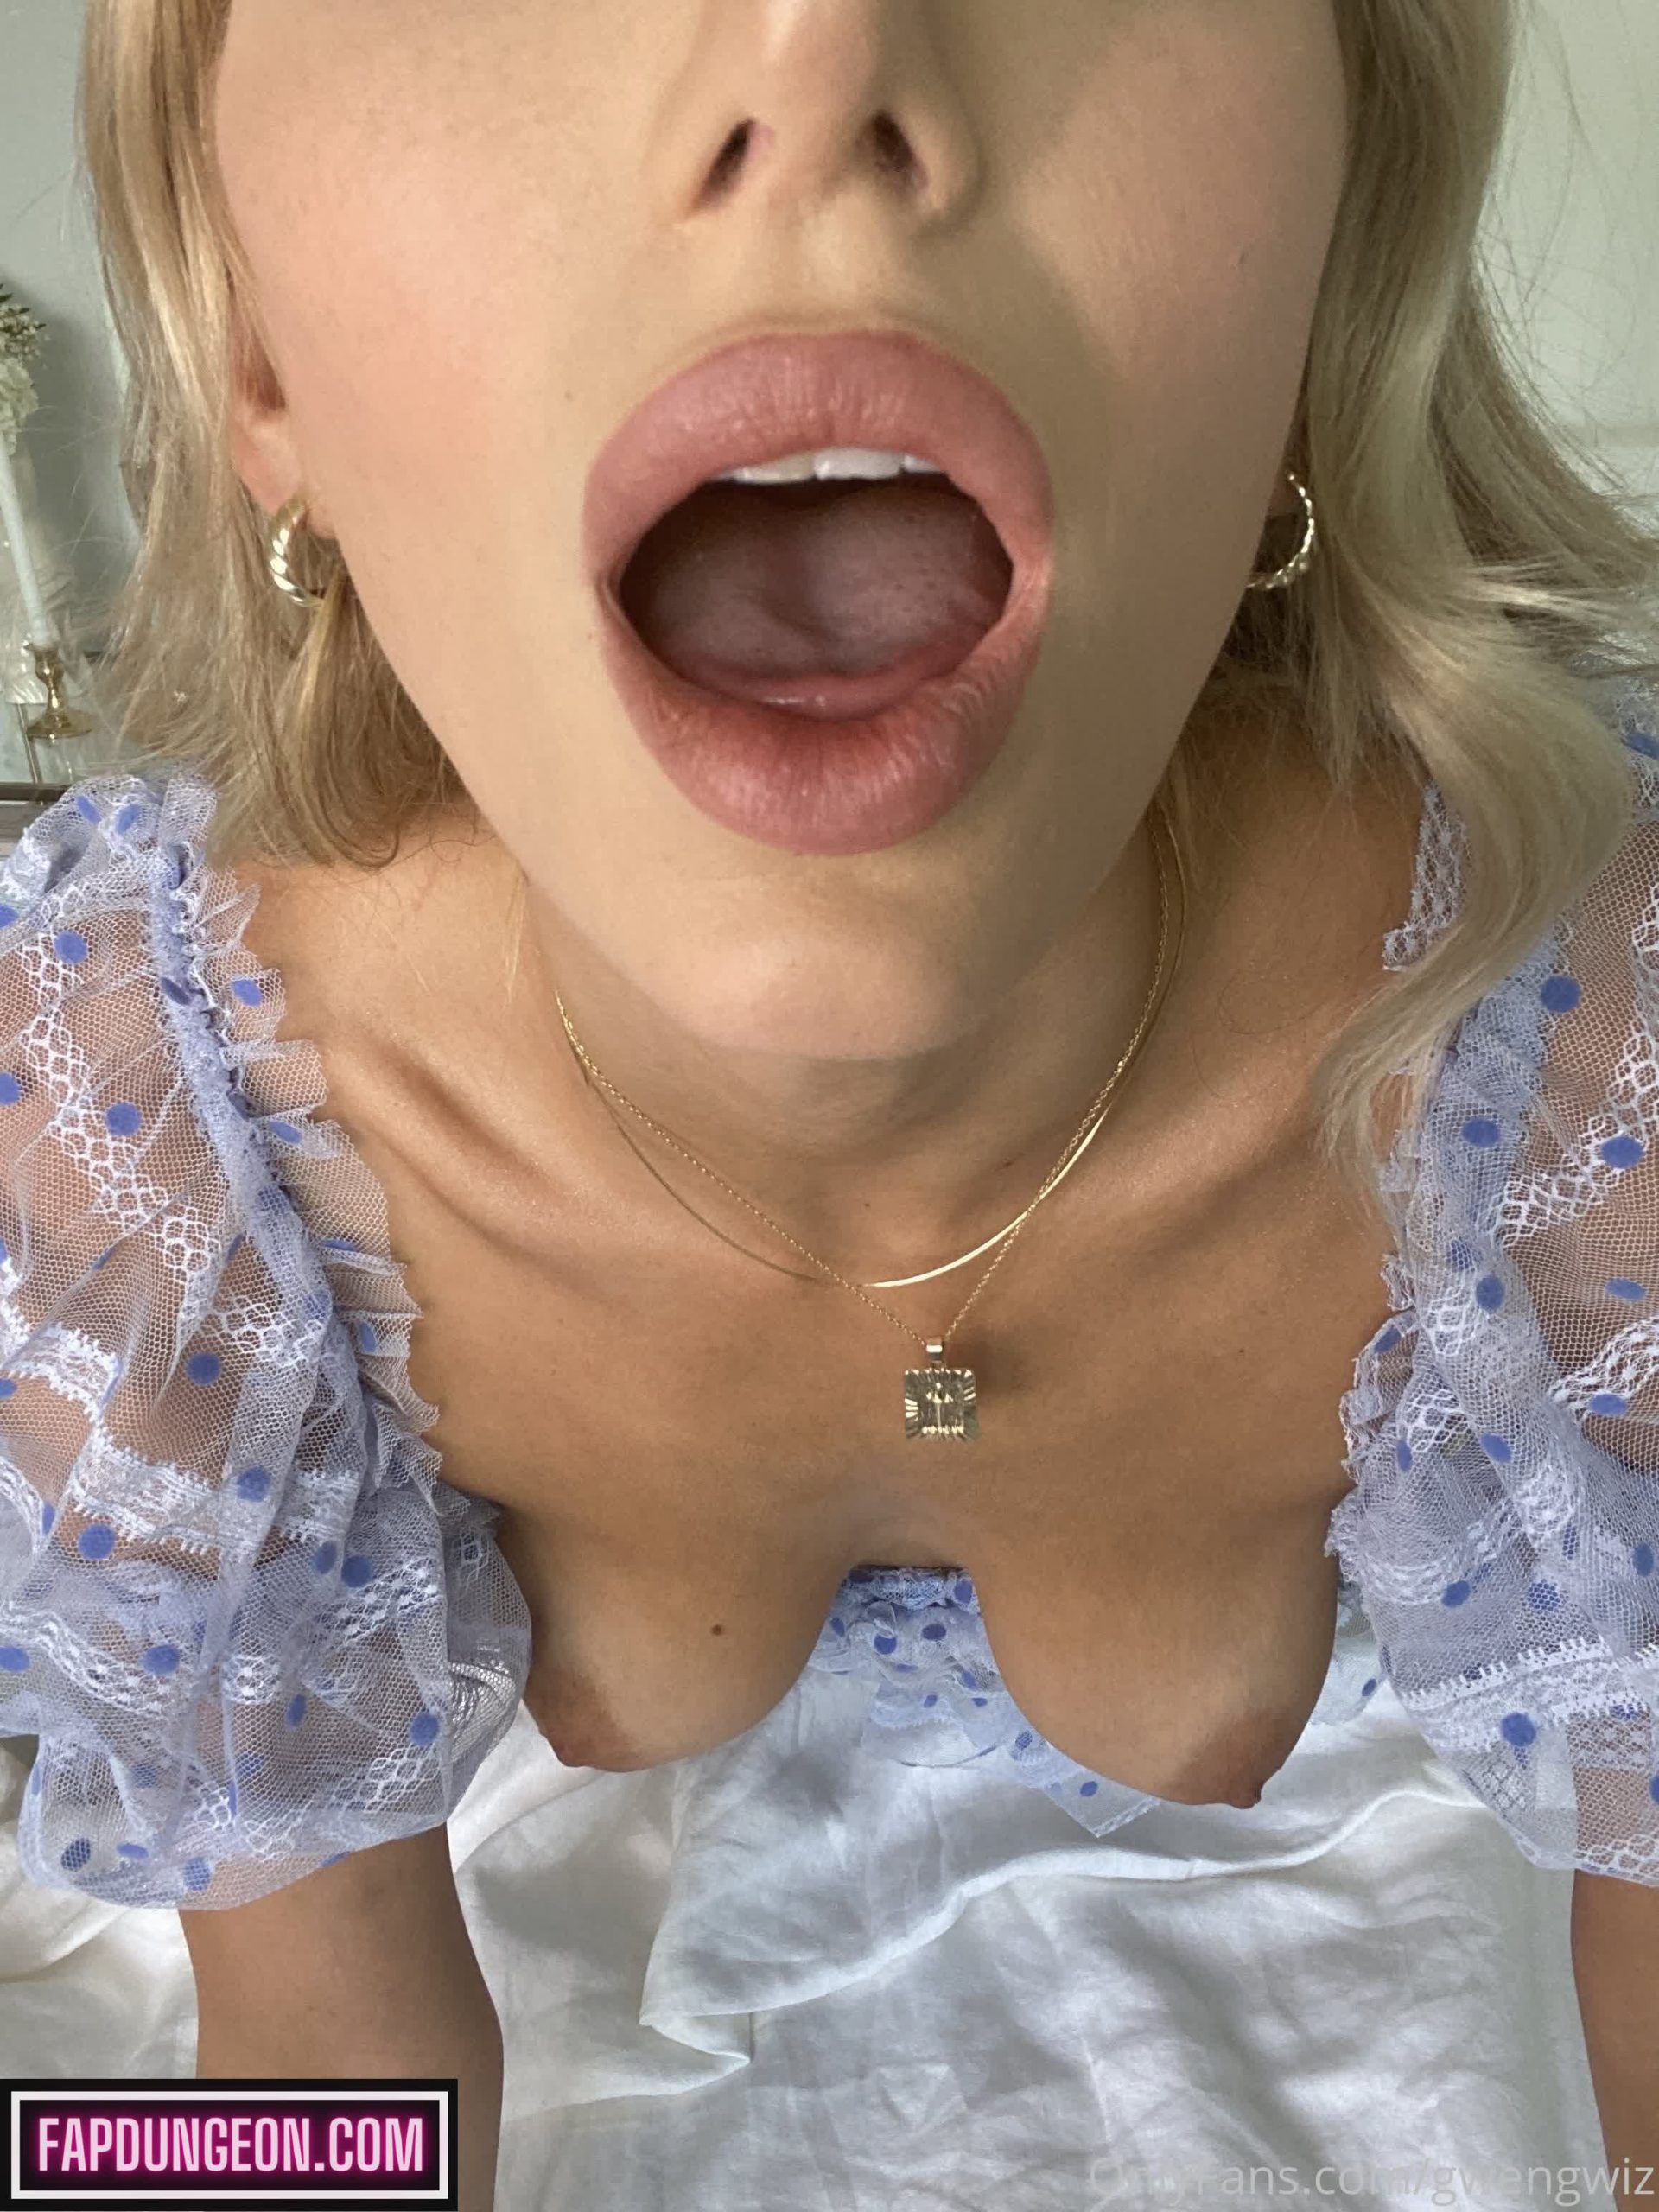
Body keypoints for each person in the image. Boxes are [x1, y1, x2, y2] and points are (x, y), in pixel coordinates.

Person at [2, 3, 1658, 2205]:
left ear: (1328, 257)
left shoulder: (1593, 1070)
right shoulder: (137, 1145)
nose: (813, 53)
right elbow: (303, 2047)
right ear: (259, 360)